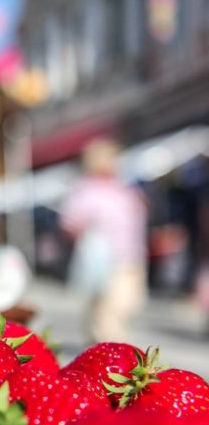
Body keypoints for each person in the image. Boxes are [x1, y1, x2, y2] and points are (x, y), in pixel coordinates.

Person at [60, 138, 148, 342]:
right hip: (103, 261)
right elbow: (70, 223)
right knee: (106, 315)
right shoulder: (86, 190)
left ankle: (108, 354)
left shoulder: (125, 188)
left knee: (126, 306)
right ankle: (111, 359)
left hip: (130, 258)